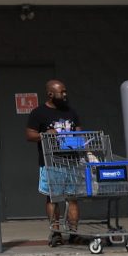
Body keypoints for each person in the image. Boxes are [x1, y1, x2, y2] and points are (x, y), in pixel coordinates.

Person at [25, 79, 80, 243]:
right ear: (50, 94)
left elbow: (79, 132)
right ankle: (56, 232)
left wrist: (78, 140)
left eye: (65, 91)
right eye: (61, 92)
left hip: (71, 161)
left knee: (72, 198)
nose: (65, 95)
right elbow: (29, 135)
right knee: (53, 198)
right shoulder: (38, 113)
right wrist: (45, 134)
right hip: (50, 162)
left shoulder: (71, 112)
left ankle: (74, 233)